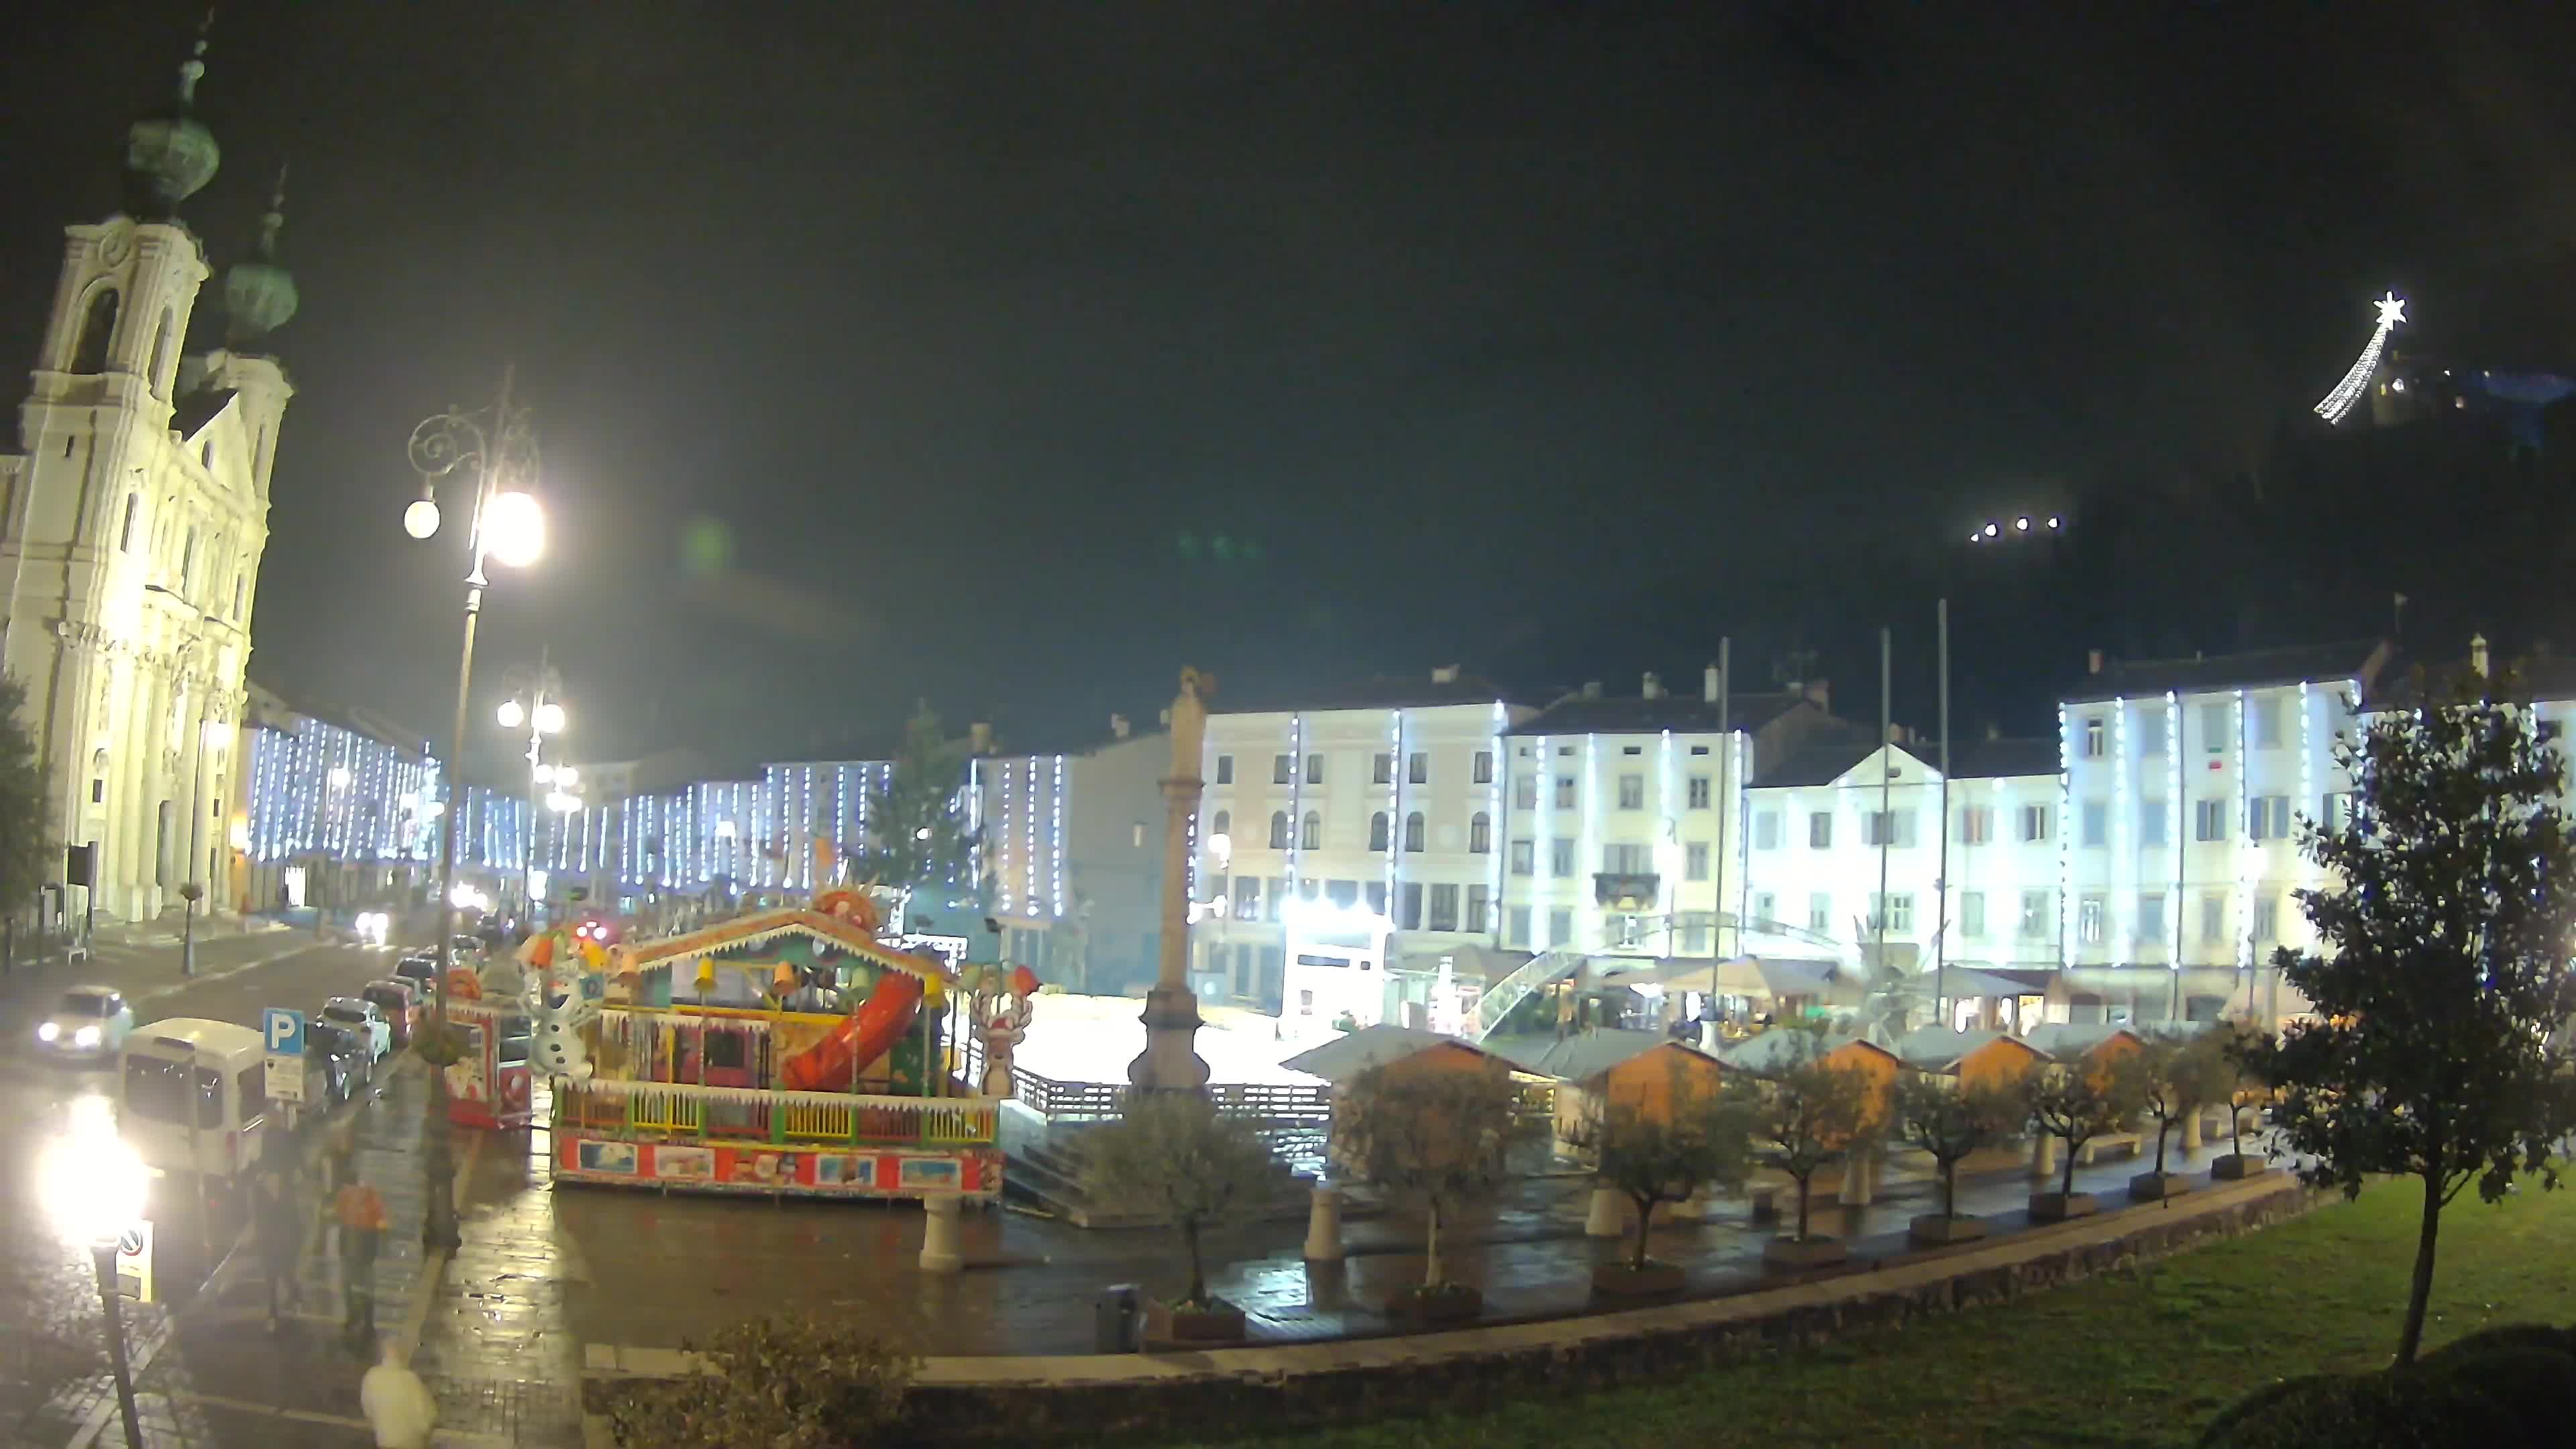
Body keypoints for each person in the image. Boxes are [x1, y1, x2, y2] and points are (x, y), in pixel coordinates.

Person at [334, 1176, 388, 1350]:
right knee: (362, 1286)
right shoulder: (368, 1198)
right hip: (361, 1251)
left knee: (353, 1284)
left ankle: (358, 1319)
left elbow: (339, 1216)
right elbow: (381, 1222)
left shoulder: (353, 1197)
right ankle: (365, 1322)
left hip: (357, 1251)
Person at [252, 1169, 303, 1334]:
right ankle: (272, 1314)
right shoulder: (260, 1197)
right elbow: (258, 1219)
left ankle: (295, 1296)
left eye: (276, 1178)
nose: (273, 1182)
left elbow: (295, 1221)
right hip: (268, 1245)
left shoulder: (288, 1196)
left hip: (287, 1245)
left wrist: (296, 1243)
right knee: (271, 1280)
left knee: (288, 1276)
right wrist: (258, 1240)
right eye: (270, 1179)